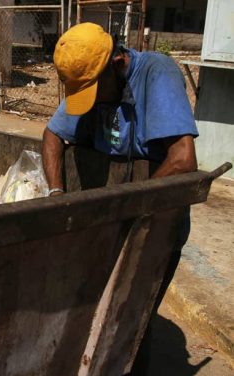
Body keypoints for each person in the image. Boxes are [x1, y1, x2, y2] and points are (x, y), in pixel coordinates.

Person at [41, 23, 198, 374]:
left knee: (129, 324)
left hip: (151, 228)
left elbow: (183, 160)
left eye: (93, 90)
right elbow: (52, 135)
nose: (90, 100)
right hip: (100, 226)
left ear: (116, 61)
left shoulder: (156, 72)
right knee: (87, 317)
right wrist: (56, 195)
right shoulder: (92, 81)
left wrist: (125, 209)